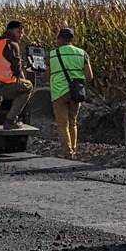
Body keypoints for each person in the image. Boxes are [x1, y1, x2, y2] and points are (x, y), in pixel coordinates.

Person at [46, 25, 89, 159]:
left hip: (59, 92)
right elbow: (89, 75)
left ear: (60, 39)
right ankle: (74, 150)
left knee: (62, 124)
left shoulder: (52, 54)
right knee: (73, 122)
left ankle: (67, 153)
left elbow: (47, 76)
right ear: (72, 39)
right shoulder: (82, 53)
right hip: (76, 92)